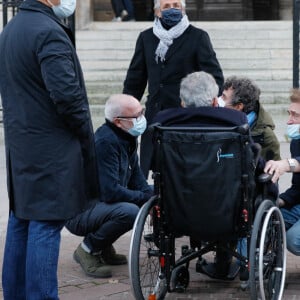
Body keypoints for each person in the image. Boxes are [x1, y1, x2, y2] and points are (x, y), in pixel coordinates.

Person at [0, 0, 99, 299]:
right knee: (45, 222)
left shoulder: (12, 28)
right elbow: (68, 98)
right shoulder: (48, 31)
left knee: (23, 218)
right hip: (50, 148)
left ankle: (16, 293)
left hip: (22, 143)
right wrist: (84, 133)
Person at [123, 0, 224, 177]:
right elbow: (135, 79)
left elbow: (214, 78)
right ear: (157, 12)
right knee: (157, 168)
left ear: (183, 9)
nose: (172, 10)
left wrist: (204, 104)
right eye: (167, 6)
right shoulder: (146, 38)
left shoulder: (198, 37)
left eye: (176, 6)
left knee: (184, 168)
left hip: (186, 116)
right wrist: (126, 109)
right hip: (156, 115)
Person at [65, 94, 153, 278]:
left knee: (149, 195)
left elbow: (138, 181)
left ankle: (103, 246)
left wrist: (153, 197)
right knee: (130, 212)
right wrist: (144, 199)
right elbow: (110, 192)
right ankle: (87, 249)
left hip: (100, 204)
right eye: (137, 116)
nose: (142, 119)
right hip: (80, 211)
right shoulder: (106, 143)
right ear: (118, 122)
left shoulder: (126, 139)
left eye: (142, 112)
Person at [264, 89, 300, 256]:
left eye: (295, 115)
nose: (289, 120)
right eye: (289, 114)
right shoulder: (296, 142)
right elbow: (298, 188)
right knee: (268, 219)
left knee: (294, 239)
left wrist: (286, 164)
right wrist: (279, 201)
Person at [219, 76, 281, 161]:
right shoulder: (217, 120)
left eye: (224, 97)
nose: (219, 100)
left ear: (238, 106)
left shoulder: (265, 136)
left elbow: (272, 170)